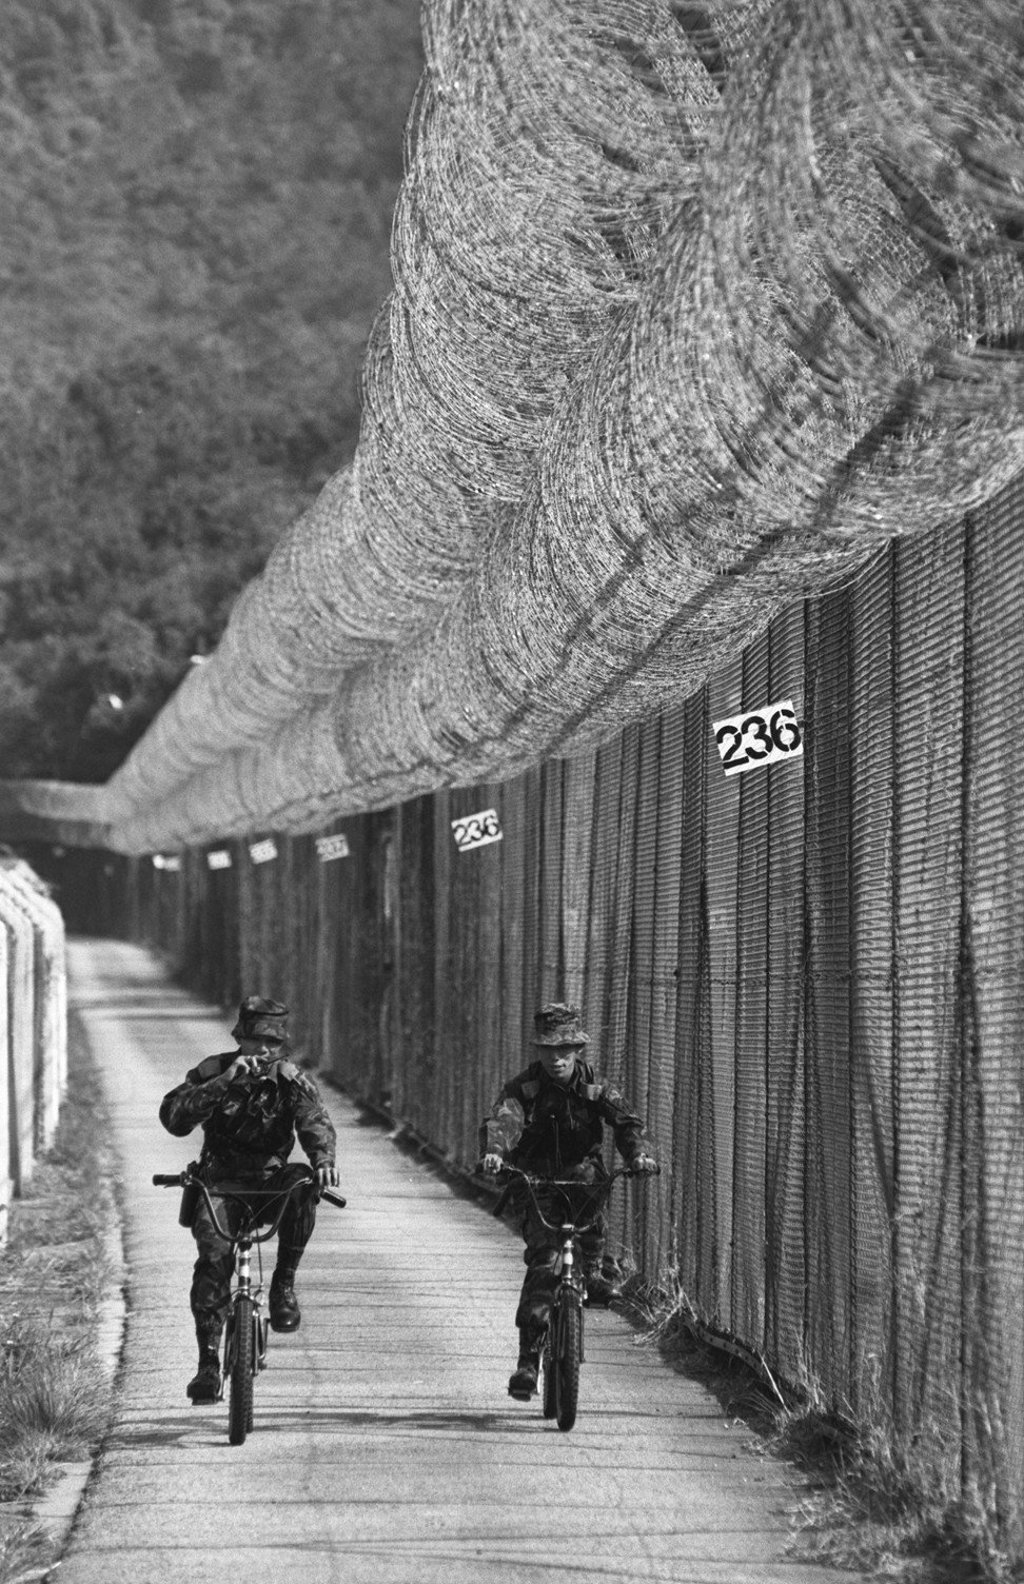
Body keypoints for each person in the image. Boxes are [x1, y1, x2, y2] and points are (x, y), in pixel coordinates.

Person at [159, 994, 340, 1404]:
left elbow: (315, 1121)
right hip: (220, 1183)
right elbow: (174, 1119)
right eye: (257, 1041)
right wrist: (224, 1083)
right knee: (213, 1256)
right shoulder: (213, 1071)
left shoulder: (290, 1079)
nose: (264, 1051)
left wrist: (324, 1159)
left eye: (273, 1044)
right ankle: (207, 1365)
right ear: (241, 1038)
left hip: (268, 1184)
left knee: (302, 1182)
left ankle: (283, 1287)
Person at [479, 1002, 658, 1400]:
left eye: (564, 1049)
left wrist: (639, 1155)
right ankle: (528, 1361)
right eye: (548, 1049)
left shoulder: (595, 1086)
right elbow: (504, 1120)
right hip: (538, 1182)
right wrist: (495, 1151)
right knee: (544, 1262)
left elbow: (627, 1124)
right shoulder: (523, 1088)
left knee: (592, 1183)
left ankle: (592, 1270)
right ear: (537, 1051)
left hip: (581, 1182)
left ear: (578, 1049)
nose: (556, 1057)